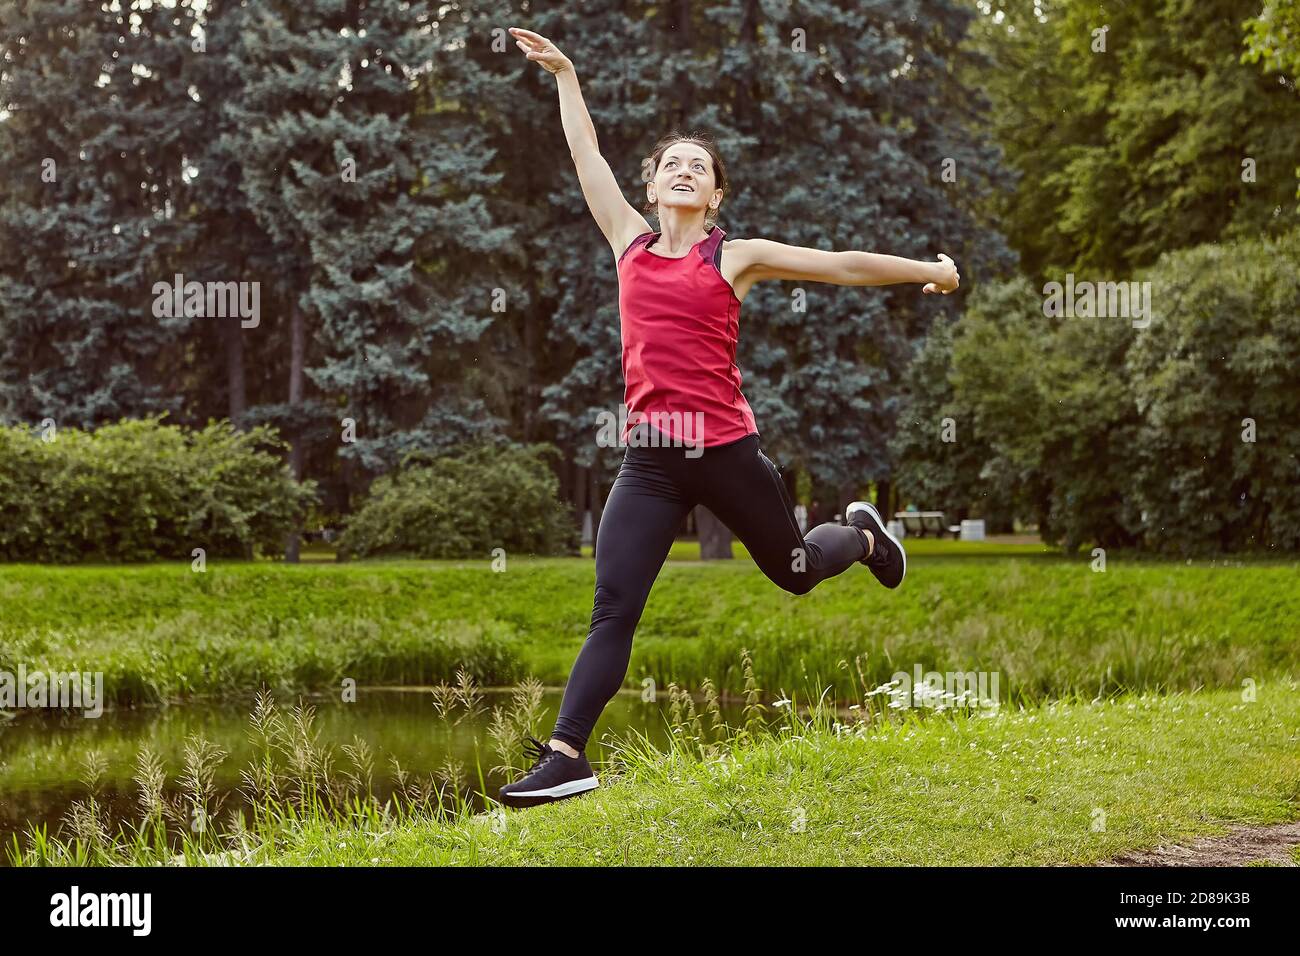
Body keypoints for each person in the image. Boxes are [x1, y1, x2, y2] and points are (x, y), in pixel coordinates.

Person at [499, 27, 960, 809]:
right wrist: (568, 76)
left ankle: (862, 535)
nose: (683, 171)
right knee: (614, 605)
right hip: (649, 460)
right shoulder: (627, 242)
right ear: (651, 188)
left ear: (715, 196)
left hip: (727, 453)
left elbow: (839, 265)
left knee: (797, 574)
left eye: (698, 167)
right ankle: (567, 754)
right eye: (671, 163)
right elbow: (587, 158)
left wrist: (932, 273)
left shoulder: (732, 257)